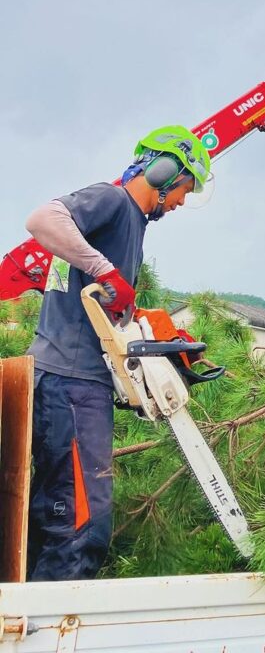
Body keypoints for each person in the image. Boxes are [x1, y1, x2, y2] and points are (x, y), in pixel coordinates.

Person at [24, 126, 212, 581]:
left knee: (62, 512)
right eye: (185, 188)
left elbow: (100, 299)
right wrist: (105, 268)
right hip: (69, 383)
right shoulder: (113, 201)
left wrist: (139, 319)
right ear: (164, 171)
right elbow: (42, 220)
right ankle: (50, 632)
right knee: (78, 524)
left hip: (78, 382)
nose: (182, 201)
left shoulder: (132, 224)